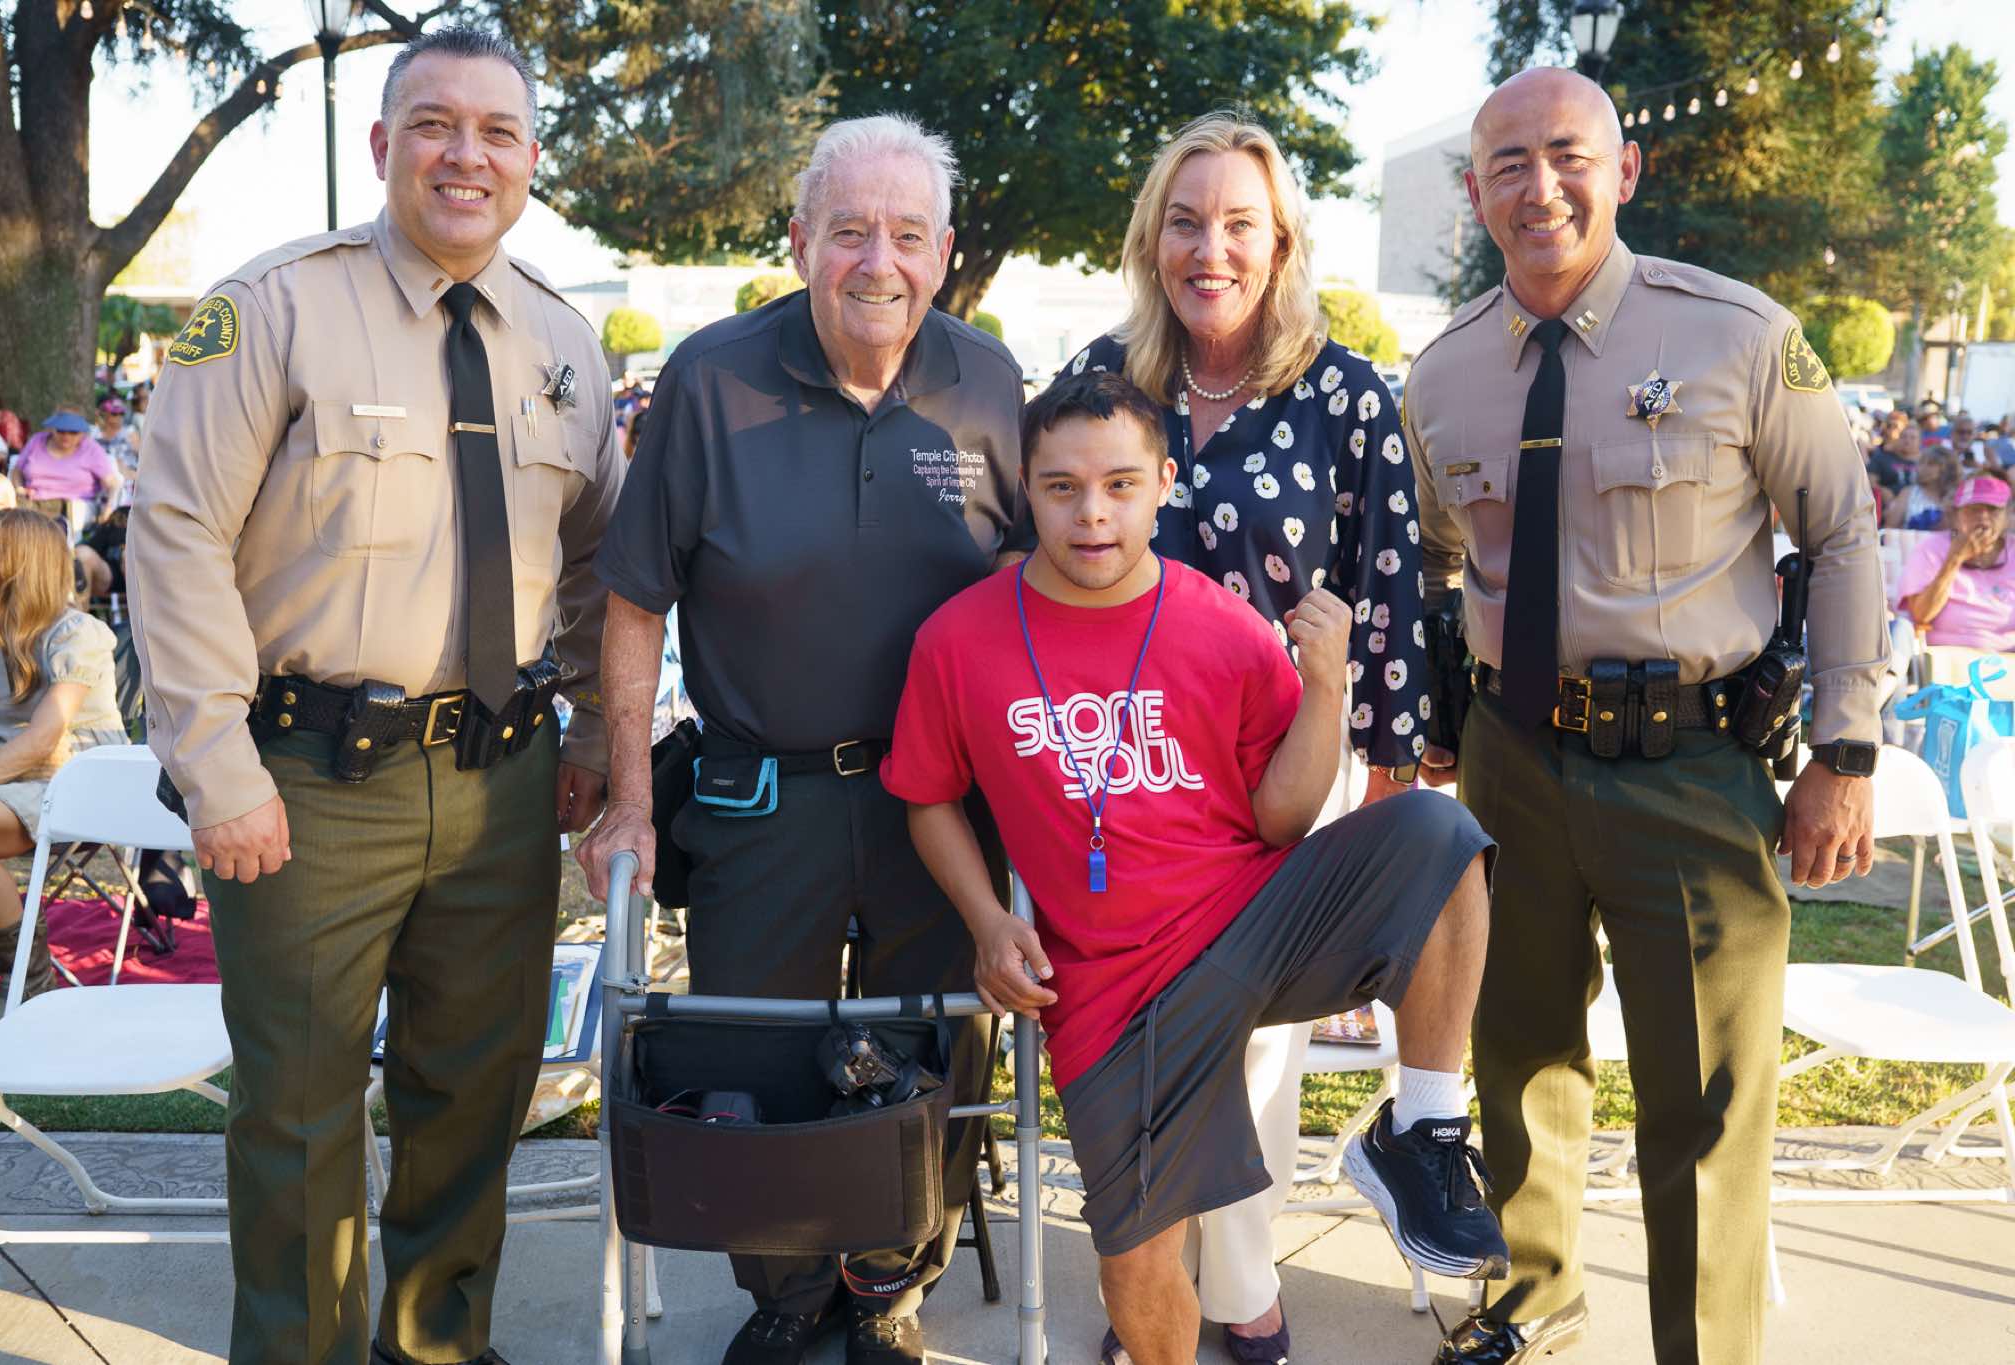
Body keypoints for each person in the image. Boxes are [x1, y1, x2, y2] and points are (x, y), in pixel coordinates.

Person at [127, 26, 620, 1365]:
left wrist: (588, 727)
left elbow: (596, 561)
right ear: (381, 142)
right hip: (307, 782)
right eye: (435, 124)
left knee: (475, 1089)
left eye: (498, 131)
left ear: (530, 159)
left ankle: (435, 1344)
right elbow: (174, 534)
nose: (467, 154)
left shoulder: (563, 339)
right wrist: (216, 769)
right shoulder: (273, 306)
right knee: (297, 1107)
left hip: (502, 781)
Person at [1408, 68, 1885, 1365]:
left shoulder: (1737, 336)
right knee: (1515, 1047)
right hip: (1509, 760)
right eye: (1507, 163)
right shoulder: (1441, 374)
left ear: (1624, 171)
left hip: (1688, 760)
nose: (1540, 186)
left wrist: (1844, 752)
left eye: (1568, 154)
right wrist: (1443, 706)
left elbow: (1841, 532)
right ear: (1475, 192)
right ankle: (1534, 1296)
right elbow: (1443, 558)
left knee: (1706, 1094)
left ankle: (1705, 1347)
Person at [882, 373, 1504, 1365]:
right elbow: (926, 796)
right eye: (1061, 487)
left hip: (1252, 926)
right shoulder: (958, 639)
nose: (1092, 513)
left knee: (1438, 831)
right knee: (1135, 1264)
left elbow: (1281, 817)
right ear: (1026, 488)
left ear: (1164, 484)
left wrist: (1324, 686)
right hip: (1109, 991)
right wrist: (989, 922)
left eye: (1120, 485)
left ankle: (1421, 1135)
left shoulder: (1220, 622)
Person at [576, 114, 1028, 1365]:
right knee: (754, 1048)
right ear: (798, 241)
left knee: (936, 1039)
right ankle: (784, 1285)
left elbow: (1027, 586)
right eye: (847, 232)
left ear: (943, 251)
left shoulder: (989, 382)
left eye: (906, 234)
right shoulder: (709, 378)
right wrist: (629, 800)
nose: (877, 262)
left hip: (939, 799)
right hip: (760, 789)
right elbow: (635, 604)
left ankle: (888, 1280)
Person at [1055, 109, 1426, 1364]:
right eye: (1184, 222)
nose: (1207, 249)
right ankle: (1166, 1284)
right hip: (1126, 762)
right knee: (1149, 1025)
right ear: (1149, 239)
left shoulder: (1345, 393)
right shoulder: (1105, 378)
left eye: (1236, 225)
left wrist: (1387, 781)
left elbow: (1388, 588)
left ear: (1280, 245)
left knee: (1255, 1034)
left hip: (1288, 759)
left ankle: (1241, 1286)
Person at [0, 510, 129, 1042]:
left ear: (18, 565)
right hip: (8, 775)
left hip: (81, 782)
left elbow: (45, 737)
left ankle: (27, 985)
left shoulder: (75, 633)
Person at [1898, 474, 2015, 650]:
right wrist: (1954, 559)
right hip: (1948, 655)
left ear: (2007, 515)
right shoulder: (1931, 548)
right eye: (1973, 509)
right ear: (1955, 515)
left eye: (1993, 509)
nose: (1983, 517)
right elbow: (1921, 615)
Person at [11, 410, 119, 537]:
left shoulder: (91, 449)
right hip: (33, 501)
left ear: (82, 433)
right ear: (52, 429)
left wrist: (109, 508)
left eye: (73, 432)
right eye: (61, 431)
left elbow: (112, 483)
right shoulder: (37, 440)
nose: (66, 436)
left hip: (72, 506)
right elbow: (17, 470)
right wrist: (19, 488)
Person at [1883, 446, 1960, 530]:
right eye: (1921, 463)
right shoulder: (1908, 493)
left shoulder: (1955, 496)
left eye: (1931, 464)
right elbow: (1890, 528)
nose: (1923, 468)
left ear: (1946, 469)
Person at [94, 396, 141, 507]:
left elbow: (143, 457)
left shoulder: (129, 432)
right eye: (114, 413)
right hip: (101, 480)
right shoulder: (94, 433)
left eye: (121, 413)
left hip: (127, 481)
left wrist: (132, 474)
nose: (119, 417)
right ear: (102, 413)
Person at [1867, 419, 1920, 496]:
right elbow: (1870, 482)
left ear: (1919, 442)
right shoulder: (1882, 457)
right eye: (1903, 436)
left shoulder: (1925, 461)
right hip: (1888, 500)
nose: (1907, 441)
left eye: (1913, 438)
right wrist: (1882, 491)